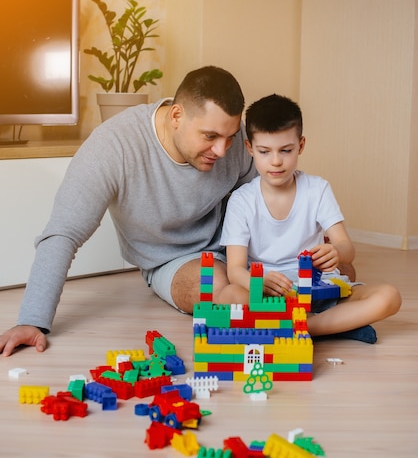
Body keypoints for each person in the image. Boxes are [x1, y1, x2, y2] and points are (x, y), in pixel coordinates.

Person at [0, 66, 257, 357]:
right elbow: (64, 232)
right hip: (174, 259)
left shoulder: (234, 141)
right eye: (210, 136)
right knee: (215, 286)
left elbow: (265, 197)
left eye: (231, 137)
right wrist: (32, 320)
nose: (222, 150)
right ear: (176, 116)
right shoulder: (114, 146)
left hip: (238, 245)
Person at [218, 94, 402, 343]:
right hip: (271, 296)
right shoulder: (241, 200)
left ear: (301, 146)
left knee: (389, 297)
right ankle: (334, 325)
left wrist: (336, 252)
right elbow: (235, 270)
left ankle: (308, 326)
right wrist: (257, 282)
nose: (276, 161)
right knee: (228, 296)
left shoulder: (317, 189)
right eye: (264, 151)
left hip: (319, 291)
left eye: (286, 150)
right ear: (250, 148)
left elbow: (347, 249)